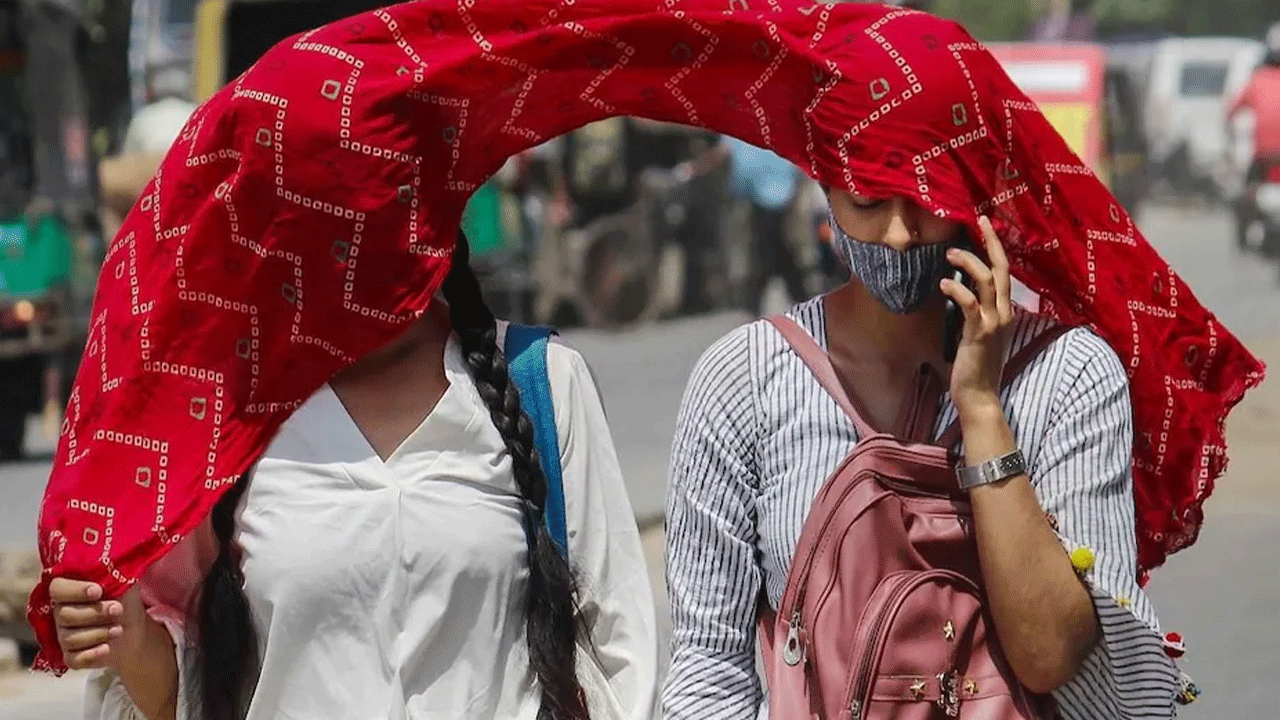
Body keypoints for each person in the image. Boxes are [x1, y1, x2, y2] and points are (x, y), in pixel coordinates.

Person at [48, 231, 658, 720]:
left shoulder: (541, 382)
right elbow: (191, 693)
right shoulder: (227, 411)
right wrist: (123, 633)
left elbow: (622, 660)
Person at [723, 135, 811, 316]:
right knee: (779, 254)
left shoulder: (741, 138)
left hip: (762, 203)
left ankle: (755, 304)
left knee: (767, 255)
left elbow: (740, 175)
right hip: (784, 201)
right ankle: (800, 300)